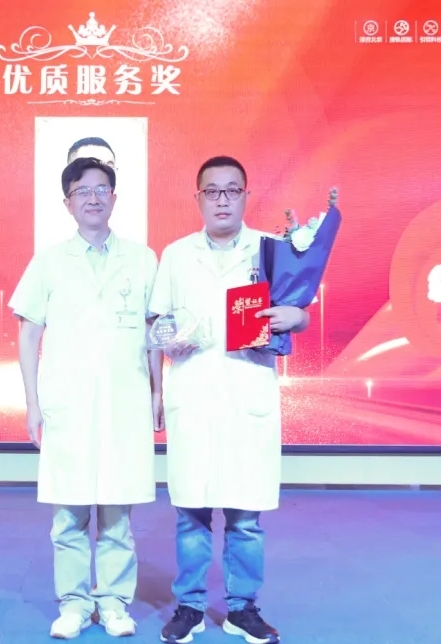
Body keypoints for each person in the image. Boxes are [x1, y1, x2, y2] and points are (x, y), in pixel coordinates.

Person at [149, 156, 309, 644]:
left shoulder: (271, 250)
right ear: (197, 198)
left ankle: (243, 608)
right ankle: (190, 606)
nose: (222, 200)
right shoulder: (176, 255)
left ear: (245, 196)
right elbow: (155, 323)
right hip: (194, 392)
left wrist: (294, 317)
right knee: (191, 512)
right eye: (212, 191)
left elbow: (300, 311)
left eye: (232, 190)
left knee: (245, 516)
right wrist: (168, 348)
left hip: (246, 391)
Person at [10, 155, 164, 639]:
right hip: (68, 404)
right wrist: (33, 403)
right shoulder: (49, 261)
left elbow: (154, 330)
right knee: (69, 513)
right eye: (82, 191)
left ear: (114, 198)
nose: (93, 198)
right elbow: (29, 333)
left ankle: (114, 603)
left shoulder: (142, 258)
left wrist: (158, 390)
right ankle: (74, 604)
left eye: (101, 189)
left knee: (118, 513)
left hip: (124, 400)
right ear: (67, 203)